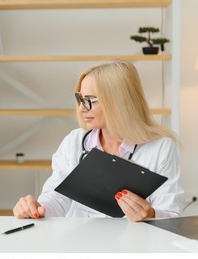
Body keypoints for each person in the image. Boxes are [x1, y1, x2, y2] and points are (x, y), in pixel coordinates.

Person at [13, 59, 184, 222]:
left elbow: (171, 215)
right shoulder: (74, 141)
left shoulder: (161, 148)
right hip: (79, 241)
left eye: (90, 101)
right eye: (80, 100)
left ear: (118, 102)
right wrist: (37, 208)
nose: (81, 109)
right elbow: (57, 197)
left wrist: (150, 215)